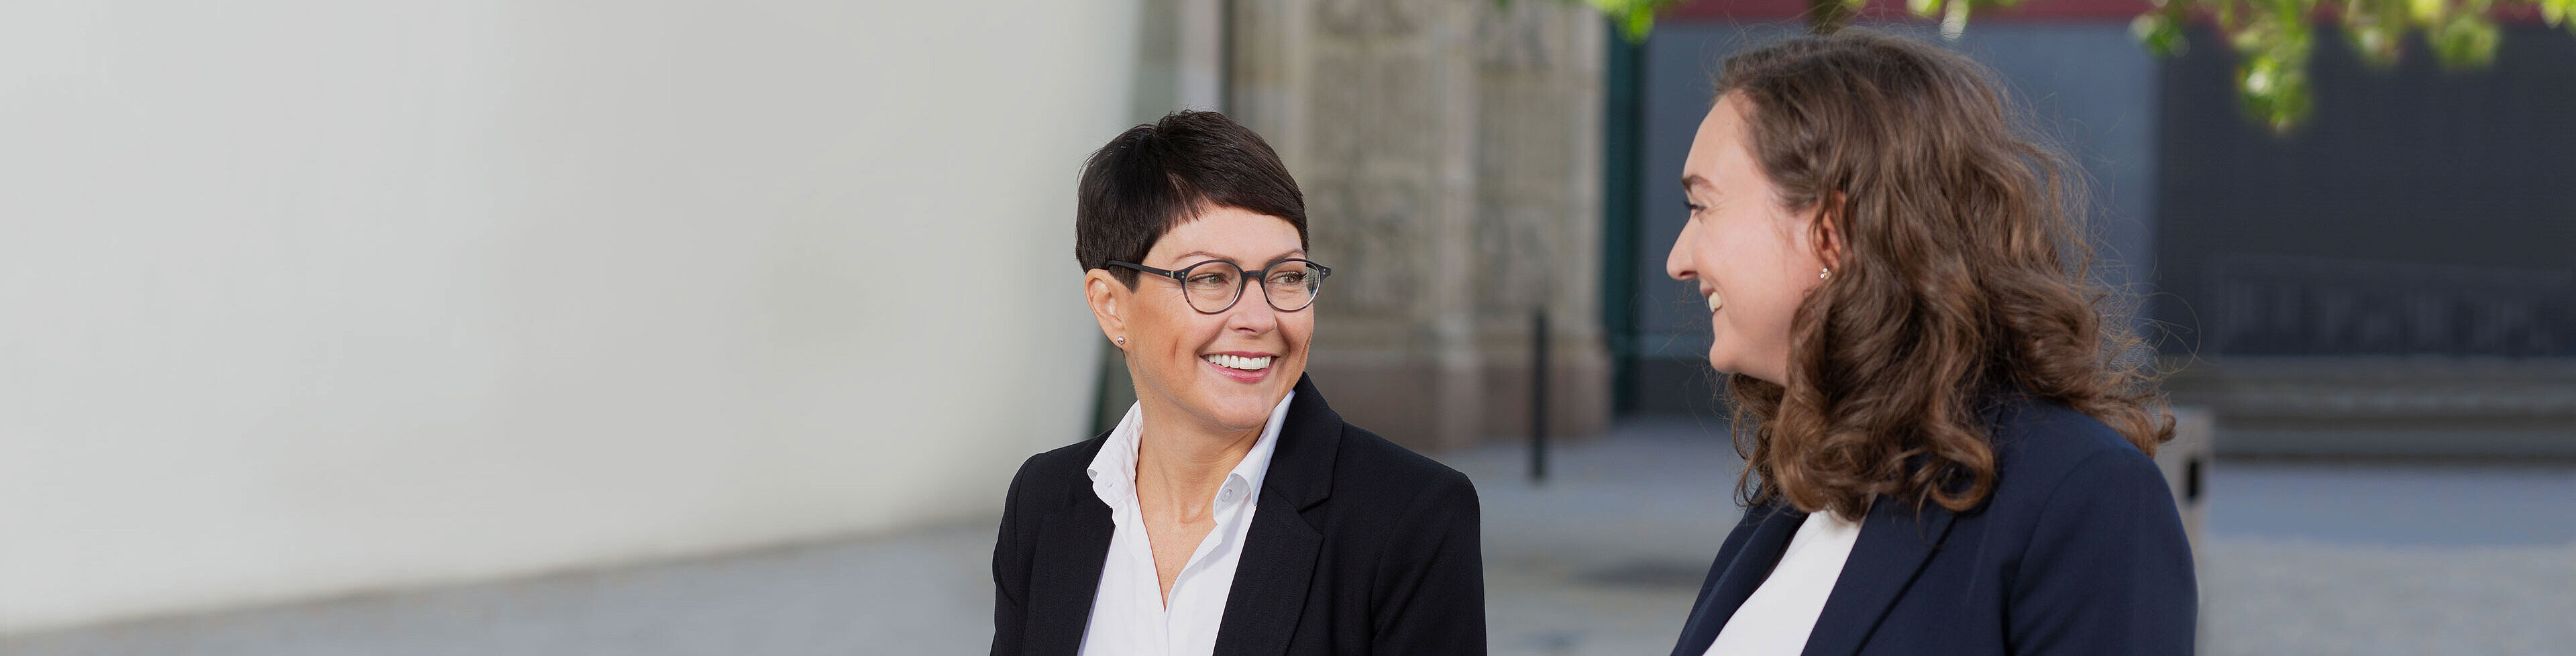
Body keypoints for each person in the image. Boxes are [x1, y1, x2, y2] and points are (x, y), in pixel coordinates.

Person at [1659, 31, 2196, 656]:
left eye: (1702, 207)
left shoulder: (2085, 497)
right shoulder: (1806, 490)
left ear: (1833, 229)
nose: (1679, 260)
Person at [989, 110, 1487, 656]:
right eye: (1210, 278)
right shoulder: (1044, 501)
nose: (1260, 317)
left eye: (1287, 276)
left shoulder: (1410, 517)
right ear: (1111, 306)